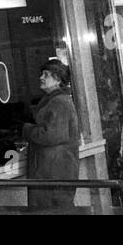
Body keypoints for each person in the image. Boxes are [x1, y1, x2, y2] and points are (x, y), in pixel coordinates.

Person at [21, 58, 80, 209]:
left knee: (53, 210)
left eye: (46, 75)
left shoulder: (59, 102)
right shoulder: (56, 100)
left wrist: (26, 129)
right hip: (53, 169)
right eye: (42, 74)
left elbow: (50, 135)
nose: (41, 78)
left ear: (57, 79)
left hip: (54, 171)